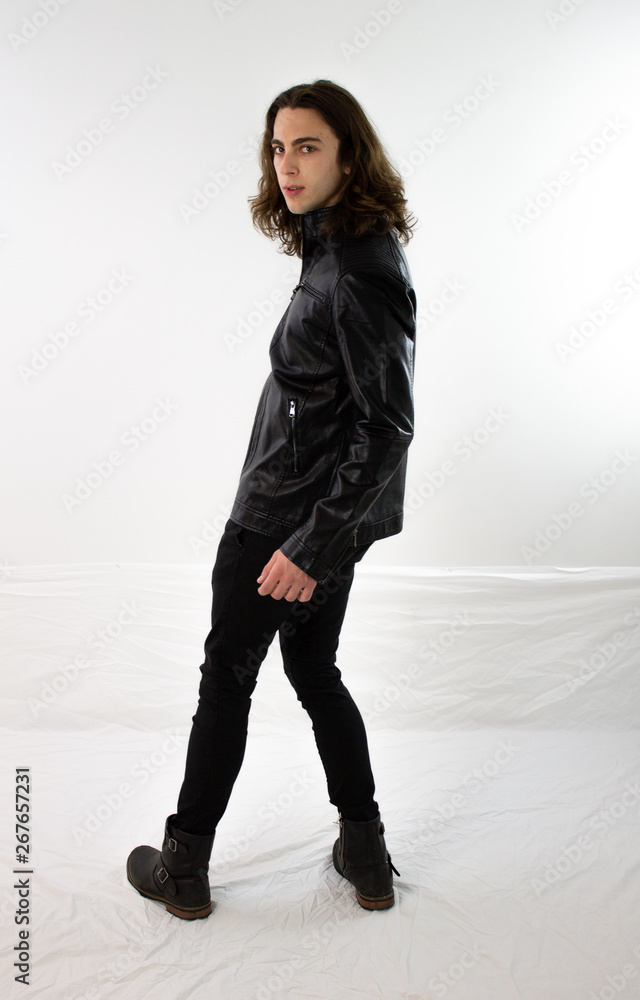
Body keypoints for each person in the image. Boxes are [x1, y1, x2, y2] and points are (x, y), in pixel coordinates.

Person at [126, 78, 417, 919]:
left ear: (349, 157)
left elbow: (387, 427)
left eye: (308, 147)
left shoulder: (357, 270)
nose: (287, 165)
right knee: (314, 670)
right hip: (313, 517)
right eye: (279, 147)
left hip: (283, 524)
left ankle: (183, 866)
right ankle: (365, 854)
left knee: (227, 681)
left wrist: (308, 546)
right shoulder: (338, 250)